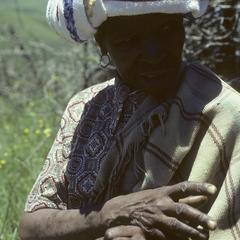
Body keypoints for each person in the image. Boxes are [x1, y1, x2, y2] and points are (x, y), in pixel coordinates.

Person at [19, 0, 240, 239]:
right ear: (102, 45)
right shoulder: (85, 107)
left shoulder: (224, 112)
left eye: (166, 30)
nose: (154, 55)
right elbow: (31, 226)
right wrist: (110, 214)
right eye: (128, 42)